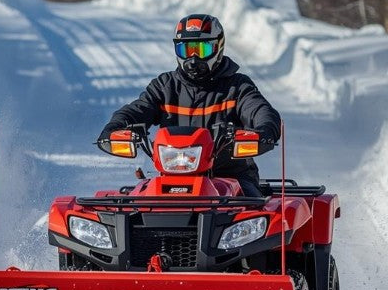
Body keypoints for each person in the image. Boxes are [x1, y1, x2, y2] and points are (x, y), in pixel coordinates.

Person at [98, 13, 282, 197]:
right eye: (186, 50)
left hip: (231, 176)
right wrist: (115, 128)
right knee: (133, 206)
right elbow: (137, 109)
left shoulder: (238, 86)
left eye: (202, 50)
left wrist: (264, 131)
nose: (193, 59)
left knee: (256, 212)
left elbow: (261, 111)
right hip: (171, 177)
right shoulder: (165, 86)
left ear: (218, 47)